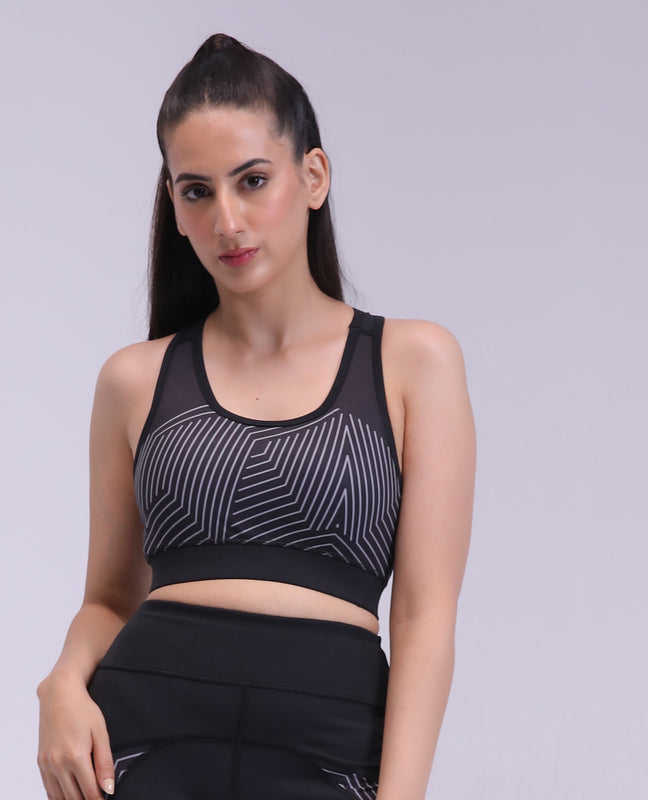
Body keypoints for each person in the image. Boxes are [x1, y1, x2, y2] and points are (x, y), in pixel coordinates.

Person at [36, 32, 475, 800]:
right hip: (143, 750)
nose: (228, 220)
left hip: (330, 756)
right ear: (174, 207)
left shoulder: (413, 363)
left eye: (253, 180)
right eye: (197, 191)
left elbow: (424, 620)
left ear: (314, 176)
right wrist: (62, 686)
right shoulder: (135, 380)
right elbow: (108, 599)